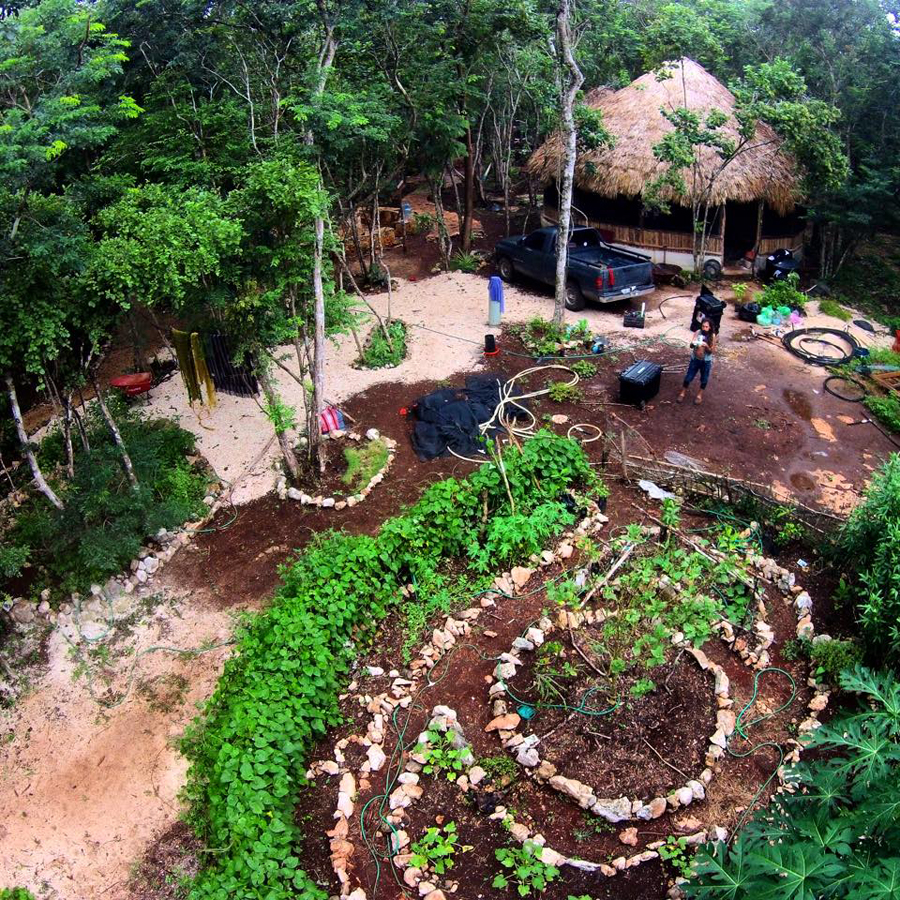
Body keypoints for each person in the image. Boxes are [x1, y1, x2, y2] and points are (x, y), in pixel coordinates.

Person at [678, 317, 716, 405]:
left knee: (704, 379)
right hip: (695, 359)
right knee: (688, 376)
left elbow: (712, 351)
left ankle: (699, 395)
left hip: (705, 361)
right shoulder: (698, 332)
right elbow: (691, 346)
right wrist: (693, 343)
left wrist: (706, 346)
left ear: (710, 327)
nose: (704, 328)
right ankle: (682, 393)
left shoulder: (712, 336)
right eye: (703, 326)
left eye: (706, 327)